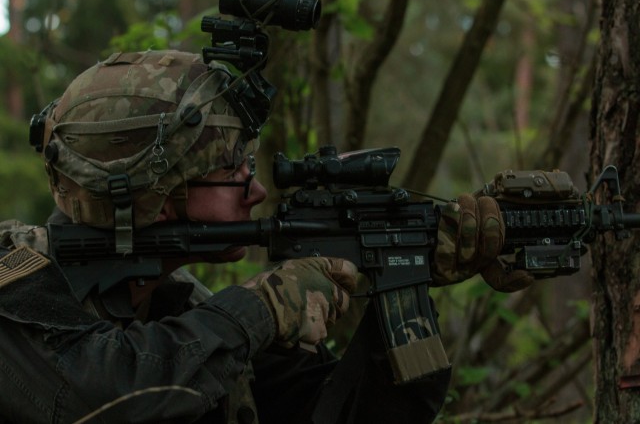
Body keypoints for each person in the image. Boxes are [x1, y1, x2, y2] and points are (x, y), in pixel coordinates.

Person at [0, 49, 533, 424]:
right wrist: (262, 308)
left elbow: (339, 413)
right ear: (156, 194)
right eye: (232, 168)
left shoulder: (173, 302)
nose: (255, 190)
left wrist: (403, 270)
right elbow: (101, 395)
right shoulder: (15, 285)